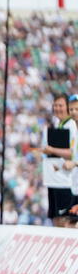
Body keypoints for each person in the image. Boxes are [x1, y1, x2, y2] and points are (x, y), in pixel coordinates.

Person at [41, 93, 77, 227]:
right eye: (55, 105)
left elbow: (73, 153)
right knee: (56, 218)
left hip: (66, 182)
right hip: (53, 179)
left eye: (60, 105)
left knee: (67, 220)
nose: (57, 108)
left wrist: (52, 150)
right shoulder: (56, 124)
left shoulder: (72, 126)